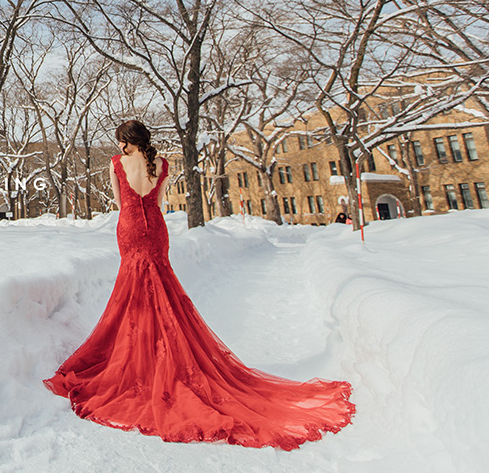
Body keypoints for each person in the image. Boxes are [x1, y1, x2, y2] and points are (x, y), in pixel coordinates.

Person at [44, 120, 355, 449]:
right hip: (156, 230)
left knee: (132, 294)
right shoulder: (161, 164)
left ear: (125, 141)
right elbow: (160, 203)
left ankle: (142, 356)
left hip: (130, 228)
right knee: (162, 290)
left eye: (120, 140)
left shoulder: (116, 164)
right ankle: (160, 355)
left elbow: (122, 203)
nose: (119, 145)